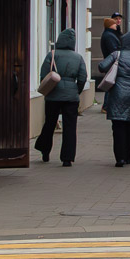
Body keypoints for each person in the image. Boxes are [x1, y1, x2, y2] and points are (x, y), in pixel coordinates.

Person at [35, 28, 87, 166]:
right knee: (70, 127)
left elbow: (44, 75)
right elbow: (82, 77)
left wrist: (48, 88)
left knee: (50, 123)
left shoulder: (51, 55)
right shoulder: (78, 57)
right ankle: (67, 158)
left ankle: (44, 150)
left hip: (53, 95)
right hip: (71, 97)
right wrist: (76, 90)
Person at [102, 31, 130, 167]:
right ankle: (128, 156)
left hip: (118, 93)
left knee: (118, 125)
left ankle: (119, 158)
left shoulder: (117, 55)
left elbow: (102, 66)